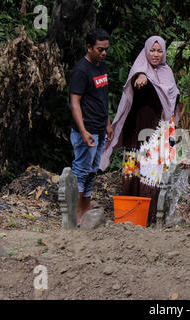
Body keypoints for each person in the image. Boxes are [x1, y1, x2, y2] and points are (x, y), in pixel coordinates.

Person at [99, 36, 180, 227]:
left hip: (157, 130)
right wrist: (142, 76)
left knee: (153, 170)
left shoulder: (167, 72)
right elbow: (135, 80)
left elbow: (172, 98)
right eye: (152, 50)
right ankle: (132, 214)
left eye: (159, 51)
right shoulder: (139, 69)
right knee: (134, 168)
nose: (155, 54)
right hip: (137, 129)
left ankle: (151, 216)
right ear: (146, 51)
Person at [69, 28, 113, 226]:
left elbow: (101, 98)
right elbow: (75, 102)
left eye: (105, 49)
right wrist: (83, 130)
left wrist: (108, 123)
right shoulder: (81, 70)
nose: (103, 53)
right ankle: (76, 213)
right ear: (89, 47)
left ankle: (86, 210)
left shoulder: (101, 66)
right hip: (86, 131)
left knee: (92, 171)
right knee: (81, 170)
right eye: (99, 49)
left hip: (100, 128)